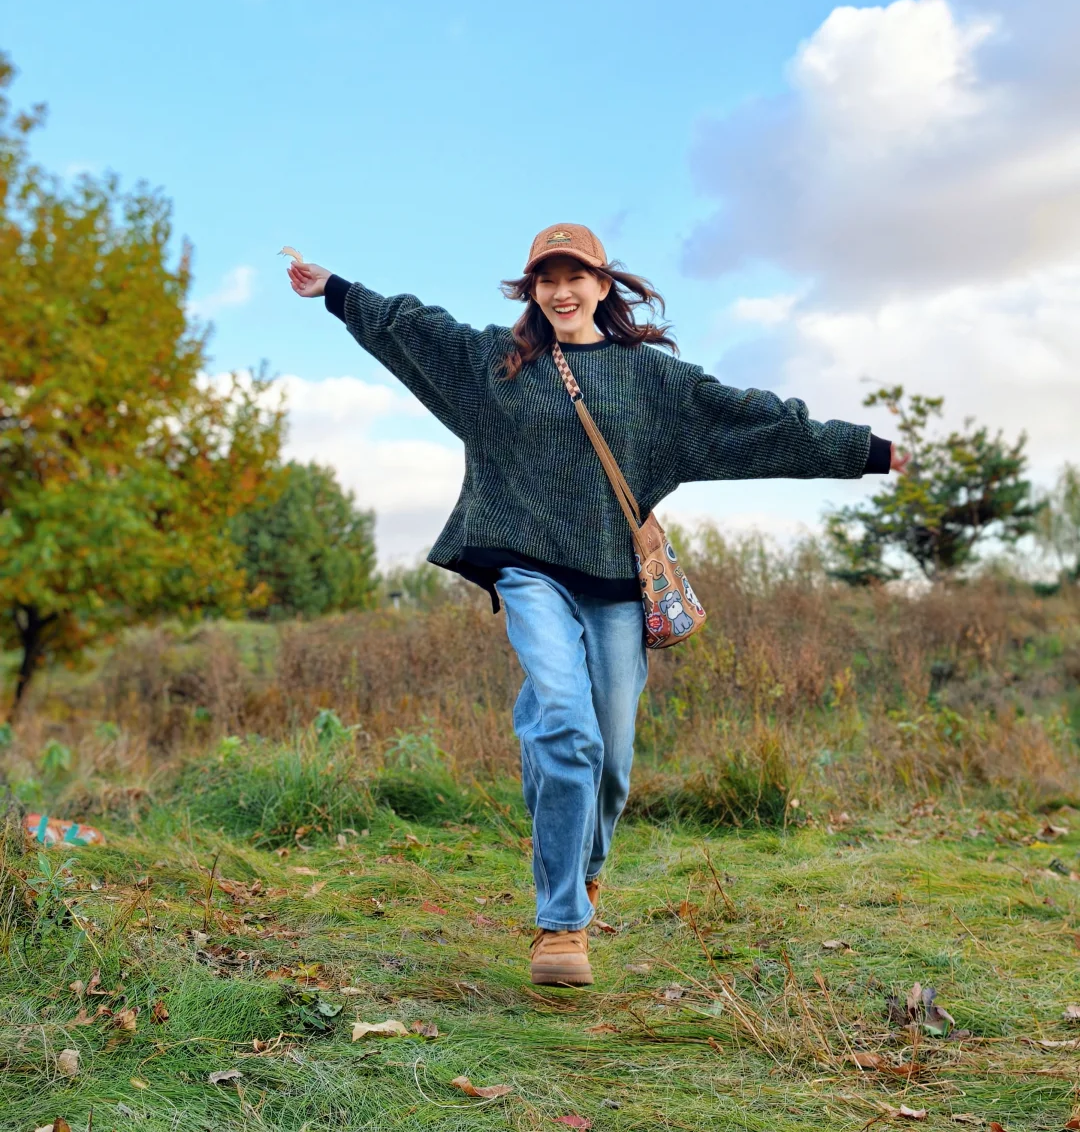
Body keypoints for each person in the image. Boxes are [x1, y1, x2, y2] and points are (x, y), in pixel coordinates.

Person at [288, 223, 904, 986]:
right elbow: (414, 329)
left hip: (615, 582)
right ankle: (560, 928)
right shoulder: (496, 366)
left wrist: (865, 451)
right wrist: (336, 293)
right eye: (546, 279)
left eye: (575, 276)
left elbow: (754, 420)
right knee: (567, 727)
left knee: (610, 760)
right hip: (525, 567)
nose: (561, 290)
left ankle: (584, 870)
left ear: (603, 286)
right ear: (533, 290)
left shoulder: (652, 381)